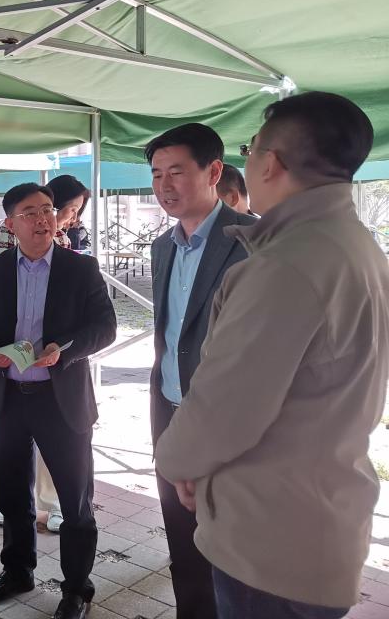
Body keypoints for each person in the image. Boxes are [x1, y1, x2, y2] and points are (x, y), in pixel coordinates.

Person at [156, 93, 389, 619]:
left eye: (251, 148)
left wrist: (177, 461)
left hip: (271, 538)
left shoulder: (286, 264)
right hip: (318, 512)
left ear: (270, 163)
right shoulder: (355, 246)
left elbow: (224, 408)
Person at [0, 182, 116, 619]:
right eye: (30, 212)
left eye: (48, 210)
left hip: (60, 399)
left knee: (75, 500)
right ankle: (17, 572)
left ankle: (76, 588)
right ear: (11, 224)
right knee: (12, 493)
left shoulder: (80, 268)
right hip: (9, 398)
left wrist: (64, 351)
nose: (42, 219)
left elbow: (105, 327)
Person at [145, 123, 256, 619]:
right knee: (182, 537)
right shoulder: (163, 247)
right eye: (156, 175)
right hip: (170, 412)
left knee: (234, 546)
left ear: (214, 172)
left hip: (231, 424)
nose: (164, 185)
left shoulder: (254, 242)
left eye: (176, 172)